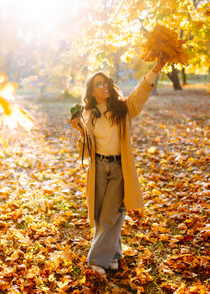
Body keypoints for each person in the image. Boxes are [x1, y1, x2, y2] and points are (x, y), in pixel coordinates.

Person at [69, 56, 168, 275]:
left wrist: (155, 70)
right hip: (98, 169)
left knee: (110, 215)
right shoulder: (88, 113)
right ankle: (113, 256)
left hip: (117, 168)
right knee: (100, 215)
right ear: (92, 91)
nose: (104, 86)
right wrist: (80, 130)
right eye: (99, 84)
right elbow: (84, 152)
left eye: (106, 83)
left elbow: (139, 94)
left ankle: (95, 262)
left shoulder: (123, 109)